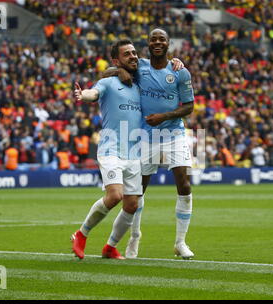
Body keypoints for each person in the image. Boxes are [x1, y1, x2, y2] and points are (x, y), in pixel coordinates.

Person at [108, 28, 195, 259]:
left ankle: (180, 242)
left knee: (184, 184)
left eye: (162, 39)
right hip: (146, 136)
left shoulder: (180, 71)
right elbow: (105, 73)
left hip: (173, 133)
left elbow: (189, 107)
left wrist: (164, 117)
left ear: (168, 44)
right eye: (153, 39)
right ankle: (135, 237)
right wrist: (119, 69)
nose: (157, 42)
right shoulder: (141, 67)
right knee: (138, 191)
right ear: (148, 44)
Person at [70, 39, 143, 260]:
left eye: (134, 52)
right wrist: (84, 95)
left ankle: (110, 247)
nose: (132, 56)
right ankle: (81, 234)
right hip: (111, 148)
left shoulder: (140, 85)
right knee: (115, 195)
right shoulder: (110, 82)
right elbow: (94, 92)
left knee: (132, 204)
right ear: (116, 60)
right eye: (126, 54)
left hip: (134, 153)